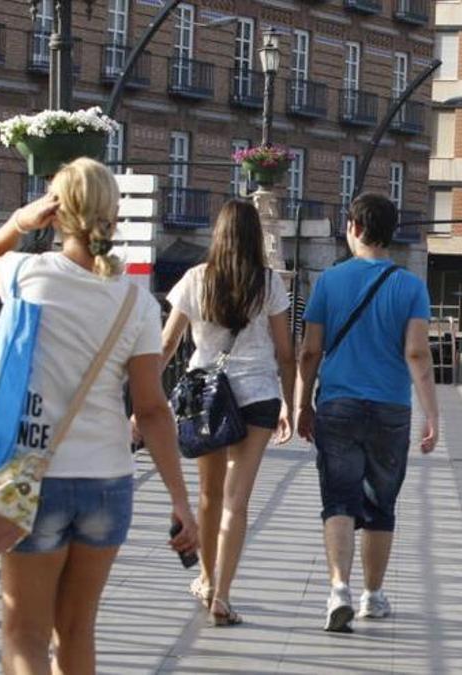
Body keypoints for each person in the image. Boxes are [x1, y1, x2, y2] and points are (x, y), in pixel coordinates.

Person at [0, 158, 198, 672]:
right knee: (77, 631)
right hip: (108, 480)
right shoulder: (136, 300)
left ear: (57, 213)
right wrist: (179, 500)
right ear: (115, 214)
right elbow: (151, 409)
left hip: (32, 480)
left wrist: (19, 222)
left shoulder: (27, 274)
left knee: (25, 632)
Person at [295, 192, 440, 633]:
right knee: (380, 504)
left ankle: (338, 588)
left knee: (338, 499)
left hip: (337, 405)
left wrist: (301, 405)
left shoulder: (329, 282)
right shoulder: (411, 286)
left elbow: (310, 350)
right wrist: (431, 415)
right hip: (391, 407)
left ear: (354, 228)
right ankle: (372, 597)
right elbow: (417, 354)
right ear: (391, 234)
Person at [160, 199, 295, 626]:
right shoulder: (269, 283)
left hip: (206, 398)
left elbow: (166, 346)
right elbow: (285, 353)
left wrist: (140, 402)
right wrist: (292, 402)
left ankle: (205, 578)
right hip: (258, 396)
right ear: (255, 237)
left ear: (217, 235)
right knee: (237, 502)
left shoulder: (194, 280)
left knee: (208, 495)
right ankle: (222, 595)